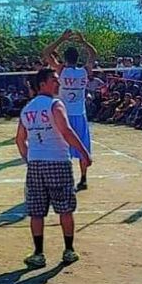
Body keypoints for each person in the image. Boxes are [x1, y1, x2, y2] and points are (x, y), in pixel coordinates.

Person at [15, 68, 92, 269]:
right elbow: (66, 131)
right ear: (42, 83)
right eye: (54, 80)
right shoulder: (55, 105)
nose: (58, 84)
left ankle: (38, 253)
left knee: (37, 211)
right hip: (57, 161)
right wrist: (84, 152)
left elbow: (20, 140)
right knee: (65, 208)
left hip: (36, 164)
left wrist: (28, 158)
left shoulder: (27, 108)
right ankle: (68, 250)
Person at [41, 29, 98, 190]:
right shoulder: (84, 71)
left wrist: (61, 38)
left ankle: (61, 179)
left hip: (63, 115)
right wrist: (83, 41)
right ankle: (84, 179)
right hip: (79, 114)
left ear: (65, 59)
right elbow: (93, 54)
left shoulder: (61, 70)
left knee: (59, 146)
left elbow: (46, 53)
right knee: (82, 147)